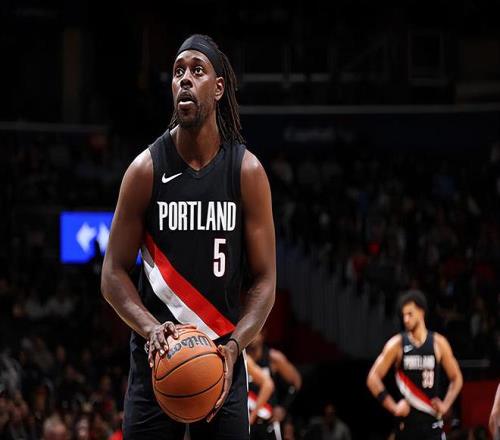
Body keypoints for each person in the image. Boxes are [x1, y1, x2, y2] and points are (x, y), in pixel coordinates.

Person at [101, 34, 276, 440]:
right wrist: (150, 329)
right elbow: (112, 274)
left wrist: (235, 346)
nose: (184, 79)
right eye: (178, 71)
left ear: (218, 88)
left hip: (222, 361)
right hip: (157, 363)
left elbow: (266, 280)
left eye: (198, 71)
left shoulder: (246, 173)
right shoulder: (145, 171)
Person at [366, 290, 463, 440]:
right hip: (406, 426)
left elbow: (457, 378)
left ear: (421, 312)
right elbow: (372, 378)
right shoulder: (397, 343)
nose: (406, 319)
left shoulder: (438, 343)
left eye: (410, 314)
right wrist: (394, 407)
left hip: (432, 425)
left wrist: (446, 404)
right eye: (404, 315)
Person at [247, 331, 302, 439]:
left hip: (268, 420)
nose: (252, 334)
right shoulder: (244, 358)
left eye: (256, 331)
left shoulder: (273, 357)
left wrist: (283, 407)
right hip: (248, 420)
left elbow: (296, 381)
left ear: (263, 335)